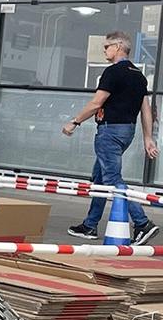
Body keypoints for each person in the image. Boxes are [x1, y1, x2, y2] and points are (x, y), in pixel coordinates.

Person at [63, 31, 159, 244]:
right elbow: (146, 109)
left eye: (107, 46)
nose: (104, 50)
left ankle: (142, 223)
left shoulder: (113, 72)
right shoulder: (138, 76)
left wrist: (75, 122)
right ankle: (90, 225)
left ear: (118, 47)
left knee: (113, 180)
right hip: (127, 131)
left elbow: (96, 103)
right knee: (100, 177)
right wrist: (147, 138)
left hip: (109, 131)